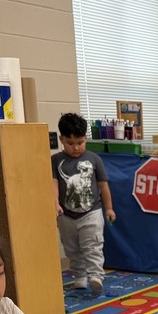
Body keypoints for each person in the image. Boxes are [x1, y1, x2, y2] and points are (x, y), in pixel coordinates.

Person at [52, 112, 115, 296]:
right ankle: (79, 276)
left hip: (91, 212)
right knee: (72, 248)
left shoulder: (94, 159)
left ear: (85, 138)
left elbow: (103, 185)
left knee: (93, 246)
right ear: (61, 139)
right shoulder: (55, 161)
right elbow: (53, 184)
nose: (76, 148)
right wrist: (55, 203)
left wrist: (109, 208)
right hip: (66, 214)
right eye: (70, 143)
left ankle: (96, 276)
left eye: (80, 142)